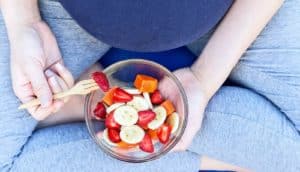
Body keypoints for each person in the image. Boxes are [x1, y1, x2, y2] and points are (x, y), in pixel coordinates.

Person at [0, 0, 299, 171]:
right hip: (64, 13)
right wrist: (24, 22)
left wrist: (206, 79)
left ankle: (103, 100)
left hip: (231, 11)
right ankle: (224, 159)